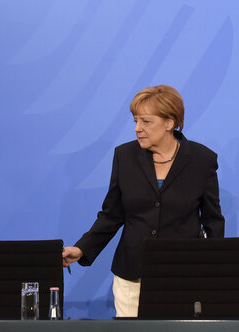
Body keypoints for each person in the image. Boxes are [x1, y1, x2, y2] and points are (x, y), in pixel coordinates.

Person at [63, 85, 225, 317]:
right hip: (132, 275)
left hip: (183, 275)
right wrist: (81, 249)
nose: (138, 129)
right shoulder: (124, 156)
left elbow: (213, 221)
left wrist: (215, 273)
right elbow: (112, 214)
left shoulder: (202, 160)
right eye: (135, 121)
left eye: (146, 122)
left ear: (169, 123)